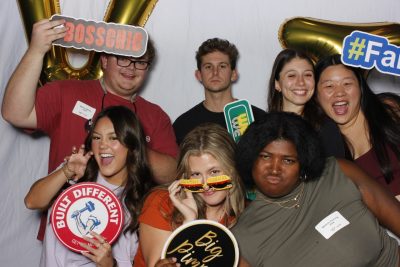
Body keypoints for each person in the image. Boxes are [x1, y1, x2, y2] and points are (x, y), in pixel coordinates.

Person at [1, 18, 178, 183]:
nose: (131, 68)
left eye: (140, 62)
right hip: (67, 211)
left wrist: (129, 145)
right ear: (105, 61)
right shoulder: (67, 92)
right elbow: (14, 113)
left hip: (127, 213)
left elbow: (172, 173)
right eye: (123, 58)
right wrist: (36, 51)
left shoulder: (155, 115)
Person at [233, 112, 400, 266]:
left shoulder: (338, 173)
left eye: (288, 160)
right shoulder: (241, 238)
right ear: (251, 157)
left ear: (304, 162)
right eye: (265, 156)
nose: (274, 169)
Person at [24, 106, 154, 267]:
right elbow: (32, 201)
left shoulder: (142, 200)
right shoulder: (76, 174)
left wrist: (109, 265)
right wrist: (66, 171)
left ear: (132, 145)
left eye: (113, 138)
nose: (103, 146)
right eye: (97, 138)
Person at [133, 123, 245, 267]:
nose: (205, 184)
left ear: (233, 170)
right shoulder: (161, 203)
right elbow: (160, 264)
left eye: (214, 172)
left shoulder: (243, 216)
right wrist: (189, 224)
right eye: (196, 174)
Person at [315, 54, 400, 197]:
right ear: (316, 95)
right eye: (329, 86)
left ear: (360, 87)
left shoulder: (389, 109)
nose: (339, 93)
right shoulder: (323, 147)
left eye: (347, 84)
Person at [172, 38, 265, 145]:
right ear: (199, 75)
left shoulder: (259, 119)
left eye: (222, 66)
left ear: (233, 74)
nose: (215, 72)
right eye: (208, 67)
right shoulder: (183, 124)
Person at [267, 48, 344, 158]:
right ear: (277, 84)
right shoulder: (264, 127)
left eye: (307, 75)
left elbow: (335, 171)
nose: (301, 82)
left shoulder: (325, 128)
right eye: (292, 75)